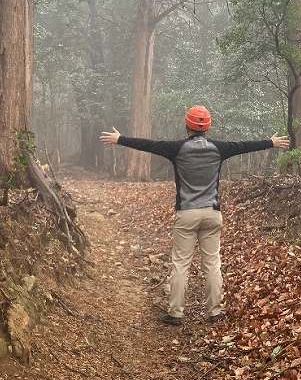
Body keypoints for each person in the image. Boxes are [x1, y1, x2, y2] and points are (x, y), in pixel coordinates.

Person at [99, 105, 289, 325]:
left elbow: (149, 145)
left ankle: (176, 313)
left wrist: (120, 139)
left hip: (186, 214)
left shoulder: (176, 148)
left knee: (181, 263)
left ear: (187, 124)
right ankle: (215, 312)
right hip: (212, 214)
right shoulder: (220, 148)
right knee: (212, 263)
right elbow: (243, 146)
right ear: (208, 126)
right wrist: (271, 142)